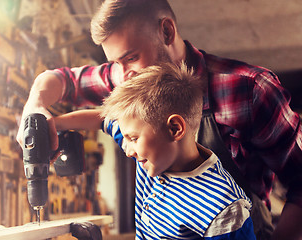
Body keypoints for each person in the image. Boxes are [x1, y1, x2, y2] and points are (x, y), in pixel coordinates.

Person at [16, 0, 302, 239]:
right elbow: (61, 80)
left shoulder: (251, 90)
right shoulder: (129, 78)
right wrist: (36, 109)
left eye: (130, 57)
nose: (122, 74)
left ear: (166, 31)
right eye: (115, 62)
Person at [55, 62, 256, 239]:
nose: (128, 151)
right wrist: (54, 125)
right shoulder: (155, 157)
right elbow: (103, 120)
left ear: (175, 128)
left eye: (133, 139)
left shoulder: (223, 209)